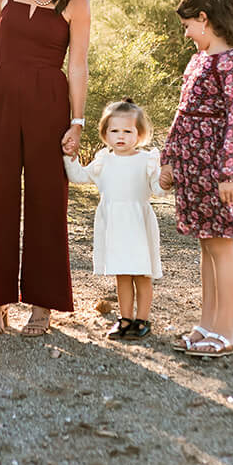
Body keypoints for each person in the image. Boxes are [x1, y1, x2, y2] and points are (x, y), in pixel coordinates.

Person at [0, 0, 90, 337]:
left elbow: (77, 66)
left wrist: (77, 123)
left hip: (49, 106)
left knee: (46, 202)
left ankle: (43, 304)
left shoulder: (75, 1)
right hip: (2, 101)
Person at [158, 0, 233, 359]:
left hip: (218, 170)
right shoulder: (198, 60)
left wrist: (230, 172)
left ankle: (225, 331)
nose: (185, 34)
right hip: (192, 166)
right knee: (206, 246)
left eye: (187, 25)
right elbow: (183, 112)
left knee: (221, 245)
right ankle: (207, 323)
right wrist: (169, 158)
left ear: (205, 18)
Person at [64, 100, 167, 340]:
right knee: (122, 274)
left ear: (139, 134)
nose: (121, 136)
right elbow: (79, 176)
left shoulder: (147, 160)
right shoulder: (103, 161)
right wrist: (69, 157)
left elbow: (158, 189)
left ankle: (142, 320)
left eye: (128, 131)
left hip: (139, 224)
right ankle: (125, 318)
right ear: (105, 133)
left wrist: (166, 181)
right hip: (115, 226)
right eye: (114, 131)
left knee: (142, 274)